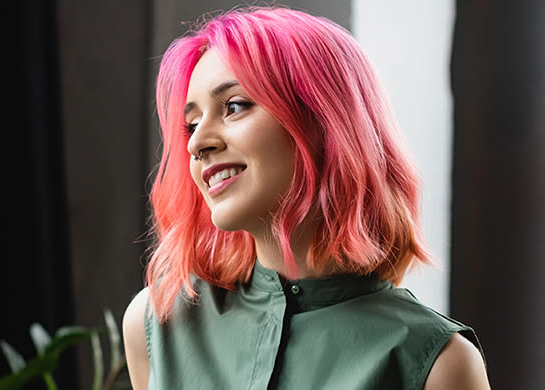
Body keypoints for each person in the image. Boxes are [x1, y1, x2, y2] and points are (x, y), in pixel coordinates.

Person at [123, 6, 489, 390]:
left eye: (233, 106)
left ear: (325, 120)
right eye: (191, 124)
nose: (197, 143)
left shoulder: (438, 365)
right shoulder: (157, 326)